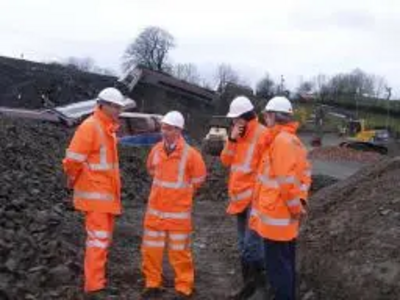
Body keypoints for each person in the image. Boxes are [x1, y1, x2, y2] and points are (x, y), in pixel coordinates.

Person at [63, 87, 126, 298]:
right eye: (115, 106)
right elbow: (72, 160)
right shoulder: (91, 127)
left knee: (102, 241)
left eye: (120, 107)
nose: (118, 110)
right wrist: (73, 178)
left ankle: (96, 281)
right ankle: (94, 286)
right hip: (96, 196)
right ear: (102, 105)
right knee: (98, 241)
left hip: (105, 196)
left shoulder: (107, 128)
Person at [249, 96, 311, 300]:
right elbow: (304, 176)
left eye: (267, 114)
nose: (265, 118)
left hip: (277, 221)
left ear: (275, 116)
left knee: (278, 271)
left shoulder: (282, 142)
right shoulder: (290, 141)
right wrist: (298, 205)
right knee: (285, 266)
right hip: (281, 220)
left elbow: (287, 183)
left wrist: (295, 209)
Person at [141, 111, 207, 299]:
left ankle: (184, 286)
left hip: (178, 214)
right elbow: (151, 170)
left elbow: (199, 179)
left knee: (180, 253)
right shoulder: (156, 150)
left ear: (179, 130)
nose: (164, 132)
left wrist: (184, 195)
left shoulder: (192, 155)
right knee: (151, 251)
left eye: (169, 128)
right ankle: (152, 283)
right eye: (163, 127)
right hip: (155, 213)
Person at [220, 96, 271, 299]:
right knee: (243, 245)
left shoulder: (263, 134)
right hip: (239, 197)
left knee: (252, 245)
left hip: (255, 199)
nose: (233, 122)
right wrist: (231, 139)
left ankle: (260, 287)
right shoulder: (237, 136)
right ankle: (248, 286)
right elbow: (225, 160)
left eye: (235, 119)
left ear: (245, 117)